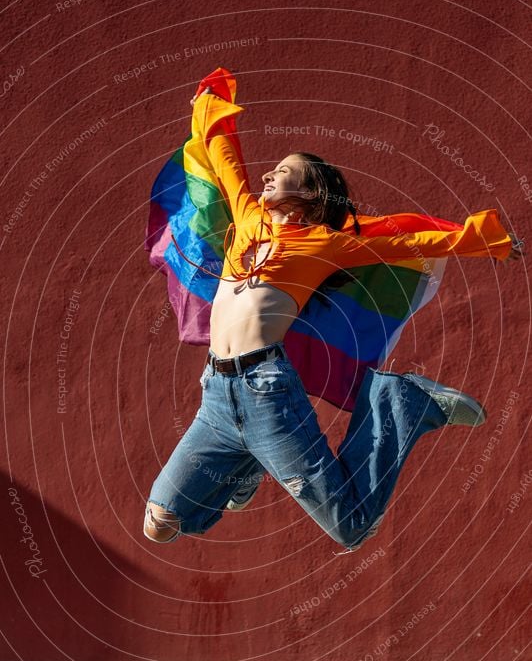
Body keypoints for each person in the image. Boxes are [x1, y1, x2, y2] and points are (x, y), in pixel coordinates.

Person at [143, 82, 522, 551]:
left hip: (268, 392)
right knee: (159, 524)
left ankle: (401, 402)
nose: (267, 178)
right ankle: (244, 466)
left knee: (351, 525)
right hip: (217, 396)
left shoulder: (328, 244)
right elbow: (226, 162)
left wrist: (482, 241)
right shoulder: (246, 219)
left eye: (282, 173)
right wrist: (212, 109)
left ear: (308, 191)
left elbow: (407, 240)